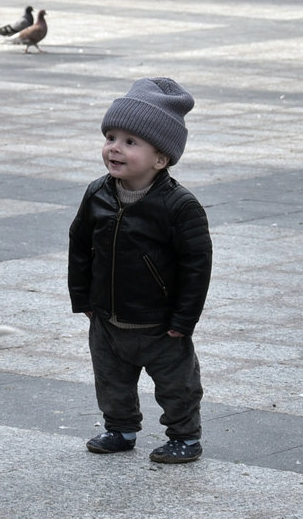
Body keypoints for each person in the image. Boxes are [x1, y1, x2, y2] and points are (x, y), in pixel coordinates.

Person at [68, 77, 213, 464]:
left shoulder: (179, 206)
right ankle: (120, 427)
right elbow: (80, 245)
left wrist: (184, 319)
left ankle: (184, 435)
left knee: (177, 383)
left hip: (160, 323)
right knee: (111, 380)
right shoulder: (97, 193)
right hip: (107, 318)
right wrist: (83, 298)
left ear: (161, 158)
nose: (114, 148)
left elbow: (196, 266)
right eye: (111, 136)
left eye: (130, 142)